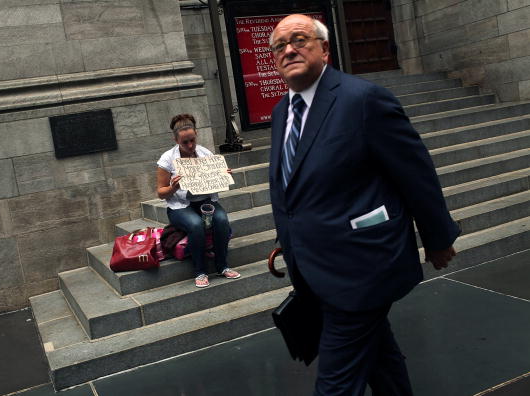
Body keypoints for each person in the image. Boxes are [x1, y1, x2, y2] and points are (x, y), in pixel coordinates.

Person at [268, 14, 460, 395]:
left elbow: (415, 173)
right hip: (314, 267)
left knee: (336, 385)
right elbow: (294, 187)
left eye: (300, 39)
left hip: (364, 265)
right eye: (279, 45)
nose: (289, 49)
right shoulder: (280, 113)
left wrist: (437, 238)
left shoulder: (363, 99)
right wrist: (290, 240)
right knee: (381, 362)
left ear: (324, 48)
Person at [157, 113, 240, 288]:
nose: (190, 145)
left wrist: (223, 176)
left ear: (196, 134)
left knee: (222, 220)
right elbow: (161, 193)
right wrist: (173, 187)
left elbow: (214, 179)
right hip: (179, 207)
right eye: (184, 142)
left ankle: (222, 266)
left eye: (192, 140)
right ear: (175, 140)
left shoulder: (205, 153)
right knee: (195, 225)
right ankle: (200, 270)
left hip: (205, 201)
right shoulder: (167, 159)